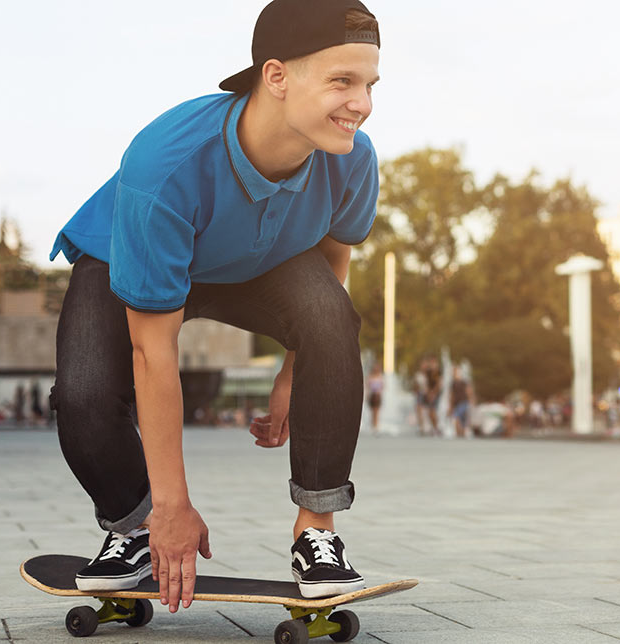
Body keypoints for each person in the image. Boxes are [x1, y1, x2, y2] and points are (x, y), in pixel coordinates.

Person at [46, 0, 381, 612]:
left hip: (260, 262)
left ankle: (318, 532)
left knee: (333, 317)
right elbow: (153, 351)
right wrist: (172, 507)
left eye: (369, 84)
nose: (362, 102)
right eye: (342, 80)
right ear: (276, 76)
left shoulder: (350, 156)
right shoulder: (167, 165)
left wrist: (298, 370)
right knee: (85, 395)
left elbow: (334, 262)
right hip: (132, 255)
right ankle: (133, 525)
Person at [447, 366, 473, 438]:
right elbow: (452, 396)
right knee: (459, 420)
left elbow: (469, 391)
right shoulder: (453, 383)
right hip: (457, 404)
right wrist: (450, 407)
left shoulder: (463, 382)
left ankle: (461, 436)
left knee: (459, 419)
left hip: (463, 403)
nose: (454, 374)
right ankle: (460, 436)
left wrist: (470, 401)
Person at [421, 356, 443, 436]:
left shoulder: (438, 372)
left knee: (432, 410)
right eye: (432, 363)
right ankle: (434, 428)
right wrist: (428, 393)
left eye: (434, 363)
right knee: (429, 412)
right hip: (430, 393)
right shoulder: (428, 372)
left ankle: (437, 428)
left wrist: (433, 394)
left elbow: (439, 384)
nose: (433, 364)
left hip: (436, 394)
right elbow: (426, 383)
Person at [366, 363, 384, 433]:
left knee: (376, 411)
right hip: (372, 395)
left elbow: (383, 386)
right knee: (373, 411)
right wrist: (367, 395)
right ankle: (373, 425)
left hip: (377, 395)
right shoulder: (370, 377)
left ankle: (376, 426)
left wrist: (379, 392)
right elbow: (367, 387)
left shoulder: (380, 377)